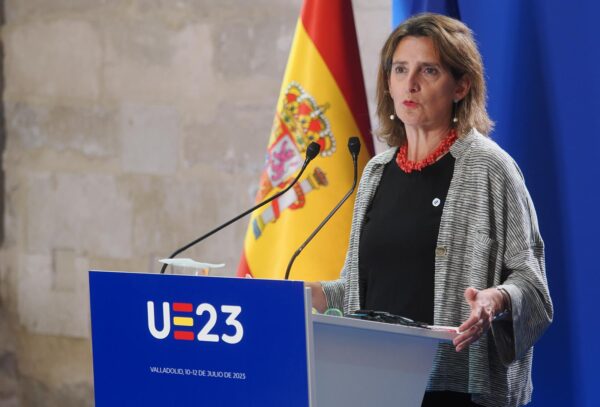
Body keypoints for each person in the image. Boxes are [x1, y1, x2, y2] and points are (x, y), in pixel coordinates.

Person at [307, 13, 553, 407]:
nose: (411, 83)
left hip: (454, 388)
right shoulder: (376, 172)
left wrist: (495, 300)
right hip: (371, 381)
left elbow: (533, 286)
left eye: (429, 70)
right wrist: (307, 295)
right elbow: (358, 290)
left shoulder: (490, 168)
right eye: (400, 69)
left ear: (461, 86)